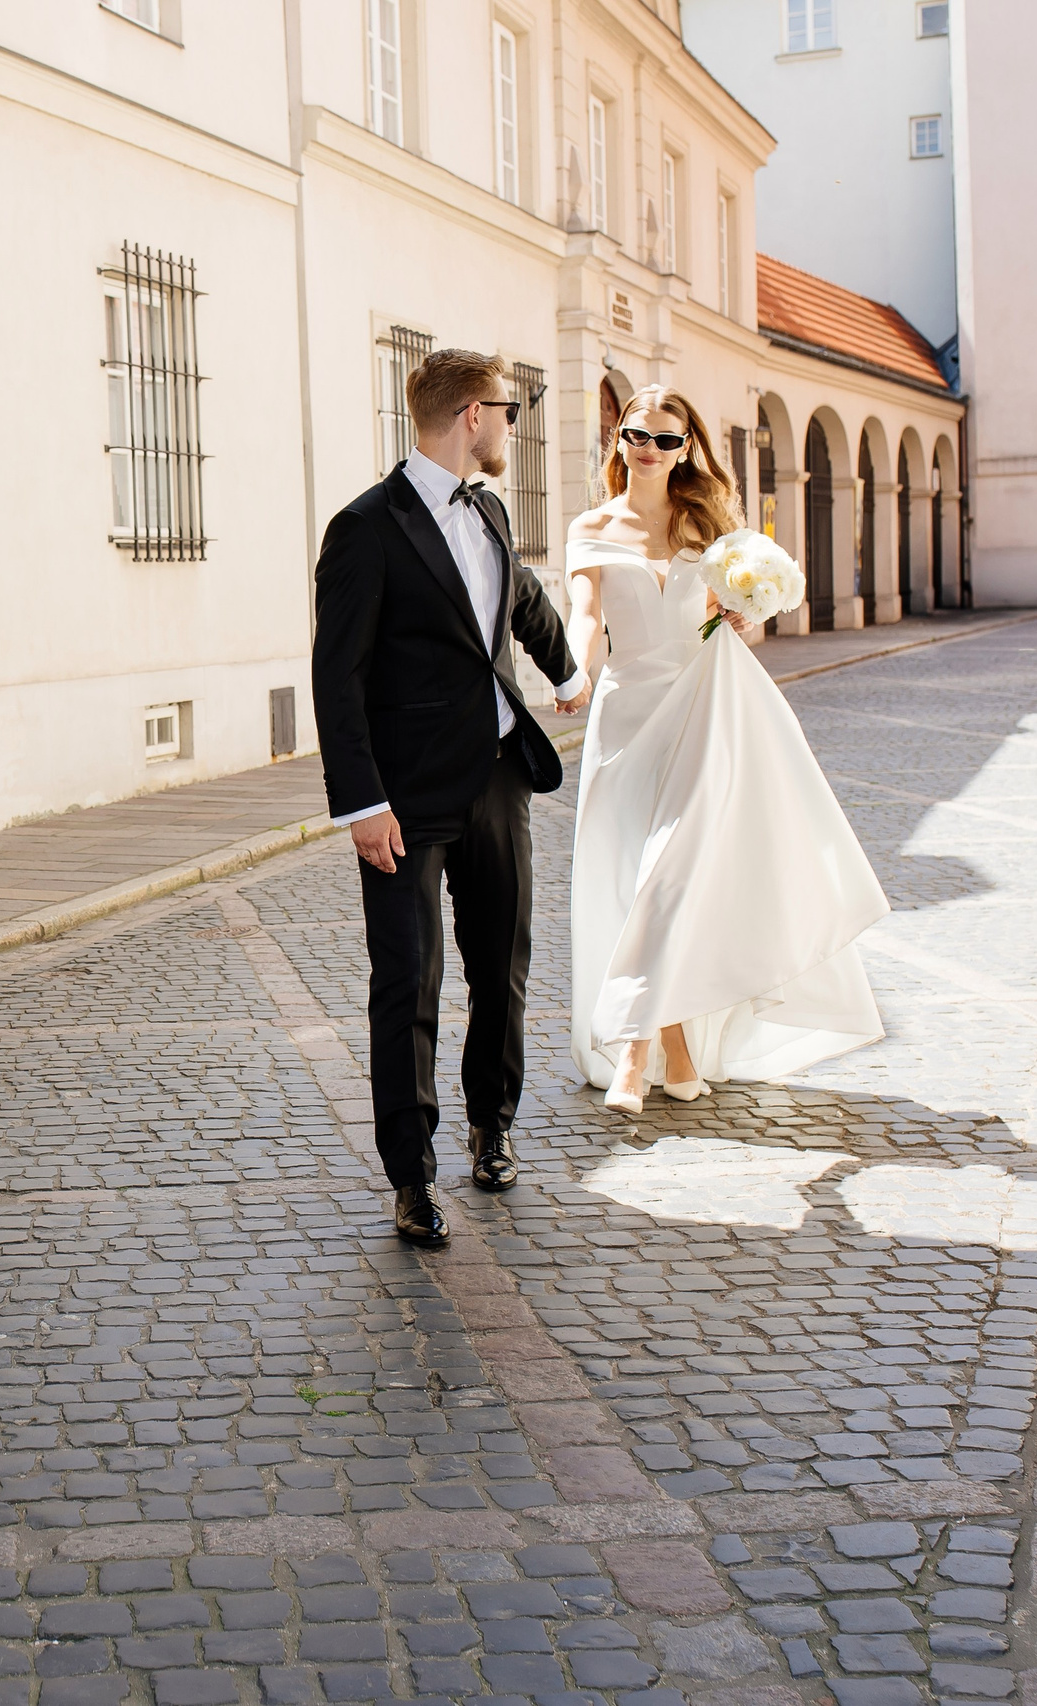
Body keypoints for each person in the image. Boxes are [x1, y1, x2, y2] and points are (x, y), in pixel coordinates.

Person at [311, 348, 590, 1247]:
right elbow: (336, 677)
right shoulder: (365, 528)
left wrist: (568, 672)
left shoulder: (492, 508)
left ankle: (491, 1128)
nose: (514, 426)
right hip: (405, 798)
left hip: (499, 776)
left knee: (502, 968)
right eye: (508, 411)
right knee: (409, 983)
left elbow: (524, 600)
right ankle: (411, 1177)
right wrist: (361, 804)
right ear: (473, 414)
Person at [562, 386, 889, 1115]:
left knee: (668, 872)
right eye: (637, 433)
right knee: (634, 880)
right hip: (624, 717)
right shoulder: (589, 525)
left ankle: (633, 1054)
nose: (649, 447)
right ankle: (679, 1059)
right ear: (620, 439)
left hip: (704, 703)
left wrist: (745, 617)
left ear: (687, 449)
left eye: (667, 439)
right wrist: (576, 676)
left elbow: (740, 615)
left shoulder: (708, 524)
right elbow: (585, 617)